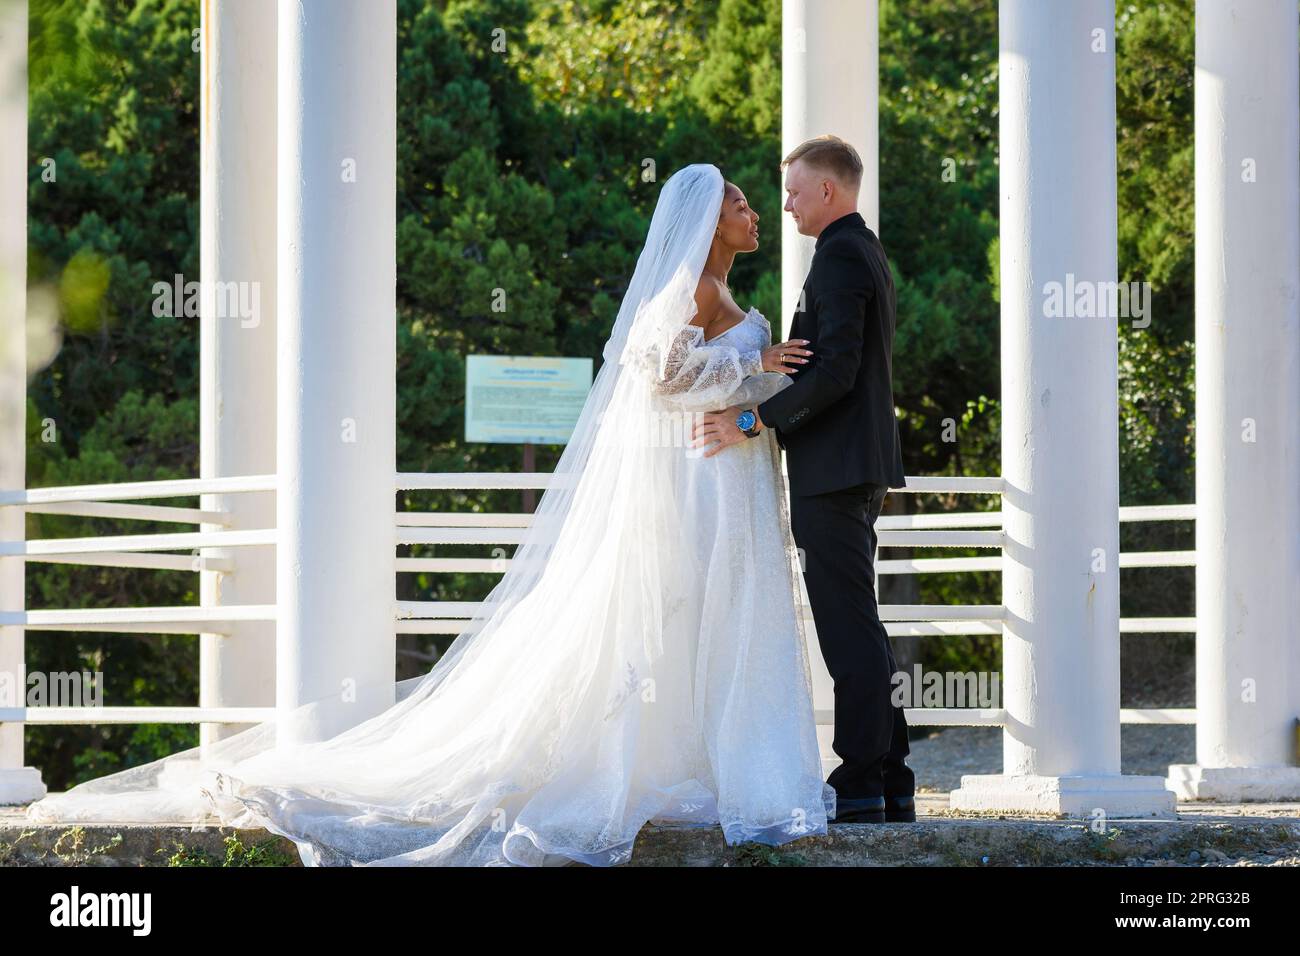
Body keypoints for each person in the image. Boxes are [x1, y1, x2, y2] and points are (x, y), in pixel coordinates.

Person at [25, 164, 837, 866]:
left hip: (726, 479)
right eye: (739, 203)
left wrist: (755, 382)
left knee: (710, 624)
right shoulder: (688, 288)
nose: (754, 212)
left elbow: (709, 379)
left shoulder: (726, 288)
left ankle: (714, 760)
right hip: (695, 485)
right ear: (704, 218)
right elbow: (656, 372)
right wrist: (753, 360)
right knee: (675, 620)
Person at [691, 135, 915, 824]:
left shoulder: (843, 254)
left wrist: (754, 423)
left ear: (828, 191)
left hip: (836, 471)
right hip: (849, 467)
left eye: (793, 190)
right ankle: (889, 776)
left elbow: (837, 371)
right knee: (861, 626)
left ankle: (858, 779)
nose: (784, 203)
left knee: (846, 629)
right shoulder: (855, 250)